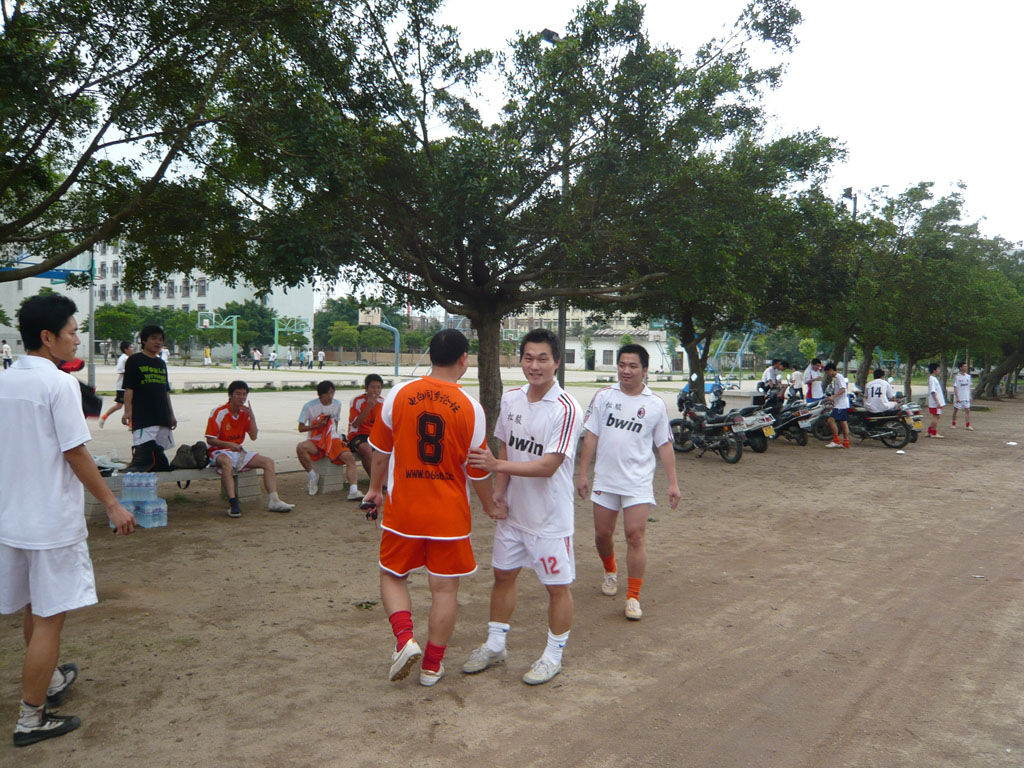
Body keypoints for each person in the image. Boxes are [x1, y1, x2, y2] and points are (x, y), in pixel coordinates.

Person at [1, 294, 135, 748]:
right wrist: (112, 504)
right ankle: (30, 718)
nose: (78, 339)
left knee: (33, 607)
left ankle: (52, 681)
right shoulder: (58, 385)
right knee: (49, 619)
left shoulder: (5, 380)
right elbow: (76, 452)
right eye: (73, 332)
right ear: (48, 337)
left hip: (11, 520)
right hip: (50, 522)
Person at [362, 329, 499, 687]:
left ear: (431, 355)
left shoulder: (398, 394)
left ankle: (404, 639)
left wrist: (375, 490)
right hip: (449, 515)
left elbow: (381, 452)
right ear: (464, 359)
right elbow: (477, 469)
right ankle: (431, 667)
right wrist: (490, 505)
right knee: (444, 590)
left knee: (393, 575)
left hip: (404, 510)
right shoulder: (471, 408)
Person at [464, 328, 582, 686]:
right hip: (513, 516)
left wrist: (495, 466)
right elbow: (507, 446)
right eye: (528, 358)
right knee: (503, 576)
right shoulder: (512, 399)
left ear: (557, 362)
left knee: (557, 588)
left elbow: (548, 465)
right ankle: (495, 645)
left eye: (543, 358)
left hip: (549, 520)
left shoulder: (566, 408)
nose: (535, 366)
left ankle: (553, 656)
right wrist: (500, 492)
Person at [575, 344, 680, 621]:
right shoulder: (603, 397)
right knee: (602, 534)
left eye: (633, 366)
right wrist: (583, 473)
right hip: (606, 479)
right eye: (622, 365)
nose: (626, 371)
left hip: (637, 482)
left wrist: (673, 483)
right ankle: (610, 570)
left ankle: (633, 597)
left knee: (635, 535)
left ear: (644, 370)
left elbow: (664, 445)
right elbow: (591, 436)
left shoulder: (654, 404)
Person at [205, 381, 295, 518]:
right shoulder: (219, 412)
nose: (242, 397)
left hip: (237, 451)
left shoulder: (244, 413)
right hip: (218, 451)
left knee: (268, 462)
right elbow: (210, 439)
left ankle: (274, 500)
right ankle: (233, 503)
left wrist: (252, 417)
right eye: (238, 394)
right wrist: (229, 444)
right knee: (227, 462)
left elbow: (253, 436)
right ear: (230, 395)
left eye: (244, 394)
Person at [296, 381, 363, 500]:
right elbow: (301, 428)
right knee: (301, 447)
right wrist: (317, 426)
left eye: (332, 392)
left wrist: (336, 438)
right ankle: (312, 476)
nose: (331, 396)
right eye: (327, 393)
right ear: (320, 395)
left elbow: (335, 422)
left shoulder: (337, 404)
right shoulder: (309, 406)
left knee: (349, 458)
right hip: (316, 439)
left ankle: (353, 490)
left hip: (332, 438)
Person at [122, 326, 177, 461]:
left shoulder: (161, 363)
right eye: (154, 338)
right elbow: (129, 389)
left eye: (161, 339)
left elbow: (165, 391)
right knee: (144, 456)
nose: (158, 342)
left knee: (158, 458)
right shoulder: (134, 360)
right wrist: (128, 411)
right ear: (144, 341)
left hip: (162, 417)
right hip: (144, 418)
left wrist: (171, 414)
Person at [348, 374, 384, 478]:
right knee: (366, 449)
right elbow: (355, 423)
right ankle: (374, 480)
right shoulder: (357, 401)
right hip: (358, 435)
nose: (376, 390)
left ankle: (388, 479)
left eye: (378, 387)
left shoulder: (383, 402)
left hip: (375, 435)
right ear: (366, 388)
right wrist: (369, 407)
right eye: (373, 387)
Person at [99, 341, 133, 427]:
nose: (132, 349)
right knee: (119, 405)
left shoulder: (130, 358)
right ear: (125, 349)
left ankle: (131, 424)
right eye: (130, 347)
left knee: (131, 405)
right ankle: (104, 417)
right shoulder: (123, 358)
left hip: (129, 386)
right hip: (122, 387)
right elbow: (120, 371)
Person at [823, 361, 850, 449]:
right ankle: (846, 442)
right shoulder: (837, 378)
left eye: (827, 372)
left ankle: (836, 440)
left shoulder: (839, 377)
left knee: (830, 420)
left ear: (831, 370)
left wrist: (833, 397)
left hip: (840, 405)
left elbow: (843, 389)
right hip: (841, 404)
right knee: (843, 422)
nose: (828, 374)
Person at [952, 362, 973, 430]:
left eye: (966, 366)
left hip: (966, 396)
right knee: (955, 410)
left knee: (967, 410)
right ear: (960, 368)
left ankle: (968, 425)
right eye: (964, 366)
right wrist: (957, 397)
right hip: (959, 396)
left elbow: (969, 387)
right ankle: (953, 423)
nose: (966, 368)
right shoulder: (957, 377)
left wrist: (970, 395)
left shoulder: (968, 376)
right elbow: (955, 387)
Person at [927, 362, 946, 438]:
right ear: (934, 370)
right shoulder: (932, 379)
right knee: (936, 417)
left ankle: (930, 431)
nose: (939, 370)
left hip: (936, 401)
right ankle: (934, 433)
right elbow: (933, 391)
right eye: (938, 369)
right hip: (935, 402)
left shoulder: (933, 379)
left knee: (937, 416)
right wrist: (937, 401)